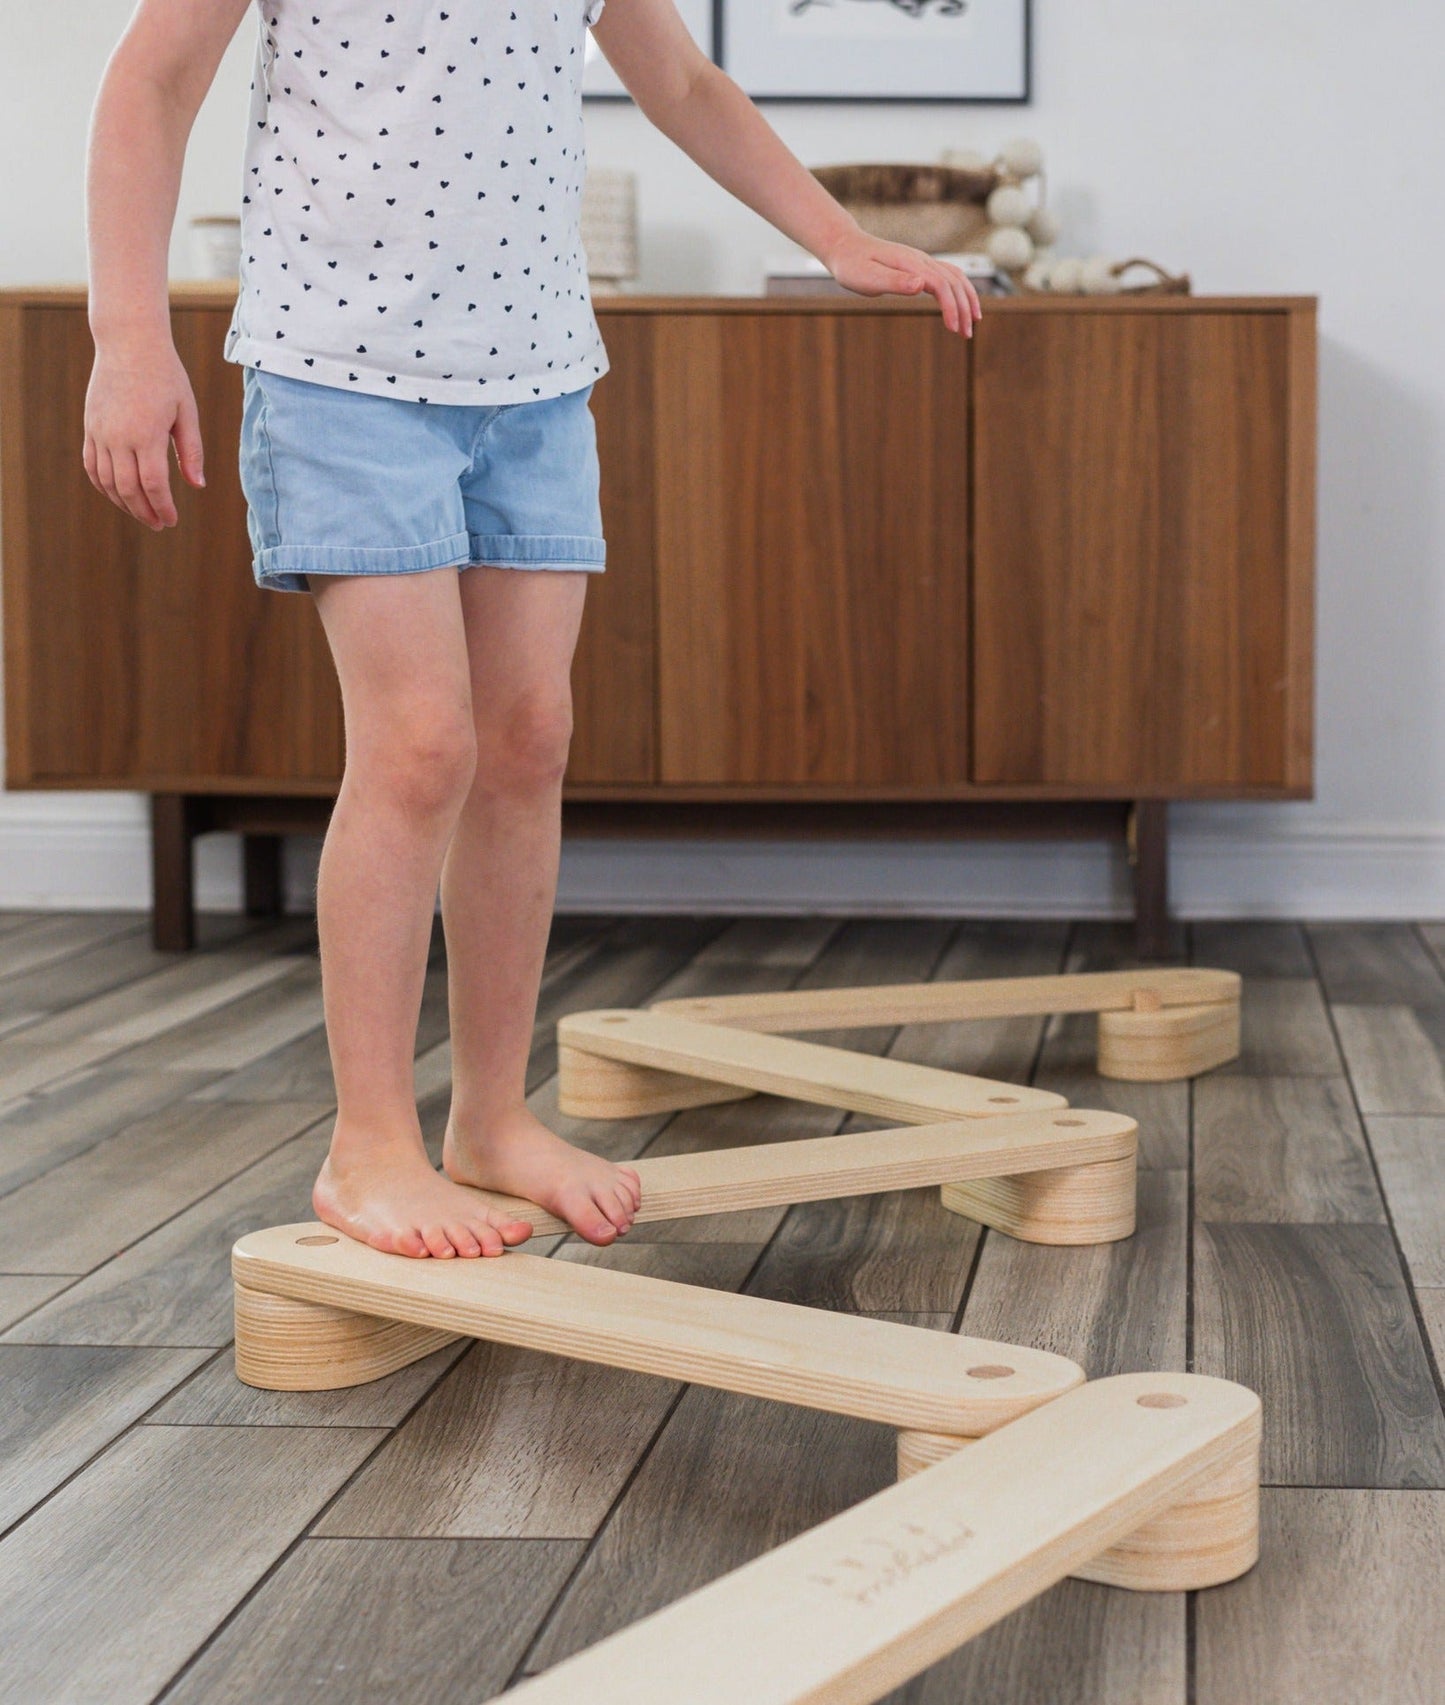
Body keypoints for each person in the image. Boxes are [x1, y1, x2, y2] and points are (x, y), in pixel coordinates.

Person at [82, 0, 981, 1260]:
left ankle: (492, 1121)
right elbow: (152, 82)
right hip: (340, 377)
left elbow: (680, 81)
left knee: (525, 742)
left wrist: (835, 237)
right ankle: (367, 1145)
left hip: (538, 382)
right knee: (418, 747)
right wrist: (129, 339)